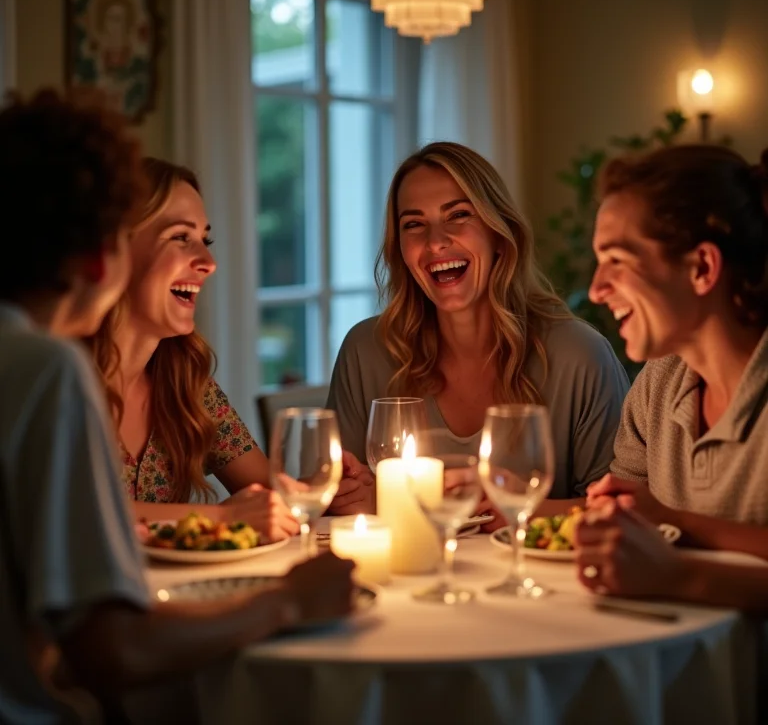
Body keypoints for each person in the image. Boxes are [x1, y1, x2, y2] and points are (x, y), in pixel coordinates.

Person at [0, 90, 353, 724]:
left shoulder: (171, 377)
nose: (210, 263)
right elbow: (112, 651)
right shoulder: (49, 372)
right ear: (105, 248)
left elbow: (275, 491)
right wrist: (287, 602)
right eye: (180, 238)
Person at [327, 141, 630, 519]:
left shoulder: (580, 356)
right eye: (414, 224)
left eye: (458, 215)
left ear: (499, 234)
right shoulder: (366, 350)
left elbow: (624, 512)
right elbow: (339, 499)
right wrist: (347, 493)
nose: (436, 241)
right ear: (400, 250)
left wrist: (521, 509)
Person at [578, 143, 768, 606]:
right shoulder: (658, 385)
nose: (596, 290)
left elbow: (661, 529)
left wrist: (679, 568)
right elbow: (632, 516)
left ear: (701, 267)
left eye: (617, 260)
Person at [87, 158, 298, 541]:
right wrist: (216, 517)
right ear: (116, 248)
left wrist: (325, 489)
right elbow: (72, 514)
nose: (209, 263)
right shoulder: (55, 377)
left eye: (206, 240)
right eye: (181, 238)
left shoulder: (187, 380)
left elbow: (267, 496)